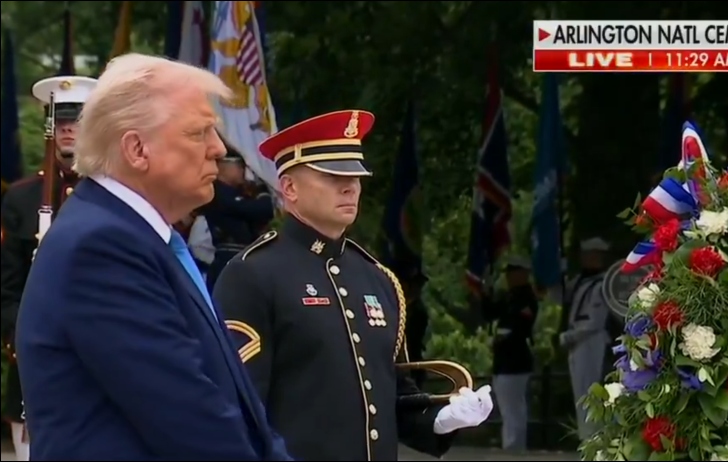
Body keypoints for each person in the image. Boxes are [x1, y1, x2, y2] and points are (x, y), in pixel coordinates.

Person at [14, 53, 291, 461]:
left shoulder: (133, 236)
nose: (218, 149)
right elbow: (193, 422)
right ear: (137, 149)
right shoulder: (102, 248)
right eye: (199, 133)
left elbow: (231, 405)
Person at [214, 110, 493, 461]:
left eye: (355, 176)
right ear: (289, 187)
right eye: (332, 176)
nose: (349, 186)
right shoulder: (253, 274)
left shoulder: (377, 279)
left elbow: (392, 397)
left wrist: (442, 418)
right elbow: (239, 408)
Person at [1, 74, 96, 461]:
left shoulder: (113, 193)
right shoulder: (23, 198)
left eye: (77, 121)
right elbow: (7, 284)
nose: (68, 129)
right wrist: (20, 338)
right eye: (59, 121)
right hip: (35, 353)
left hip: (97, 354)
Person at [199, 137, 274, 290]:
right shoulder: (217, 191)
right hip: (228, 255)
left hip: (242, 256)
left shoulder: (236, 192)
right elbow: (258, 210)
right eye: (239, 167)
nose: (243, 172)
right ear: (223, 167)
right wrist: (263, 194)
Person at [480, 256, 538, 451]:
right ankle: (511, 444)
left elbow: (520, 326)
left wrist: (503, 337)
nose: (510, 277)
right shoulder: (509, 296)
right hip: (504, 359)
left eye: (514, 273)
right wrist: (485, 294)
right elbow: (491, 313)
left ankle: (515, 445)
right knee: (507, 406)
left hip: (516, 358)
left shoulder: (526, 298)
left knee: (514, 406)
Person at [559, 237, 612, 442]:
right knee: (581, 394)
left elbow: (595, 322)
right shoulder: (581, 282)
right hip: (577, 342)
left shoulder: (603, 284)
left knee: (590, 392)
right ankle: (587, 438)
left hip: (592, 341)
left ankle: (594, 439)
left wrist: (569, 336)